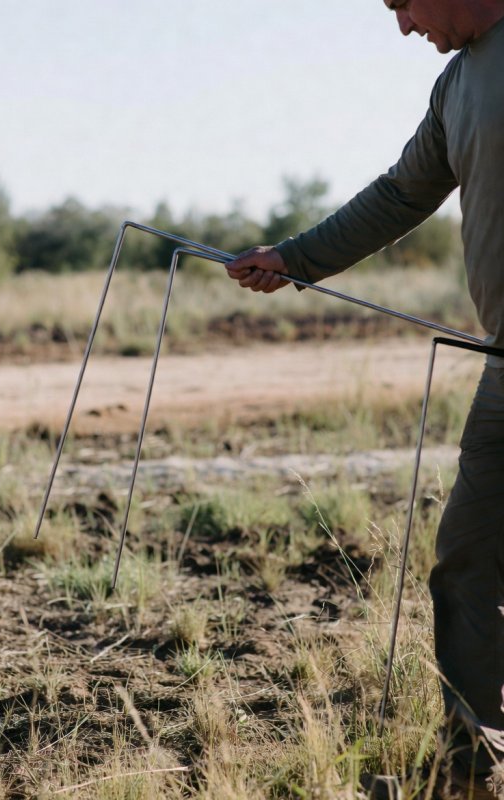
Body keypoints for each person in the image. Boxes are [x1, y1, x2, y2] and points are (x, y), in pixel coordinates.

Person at [225, 1, 504, 798]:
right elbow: (397, 197)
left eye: (405, 2)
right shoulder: (457, 87)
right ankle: (473, 773)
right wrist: (295, 258)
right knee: (468, 564)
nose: (405, 28)